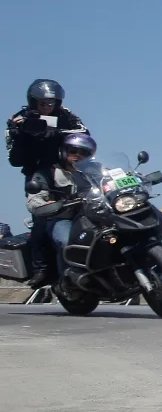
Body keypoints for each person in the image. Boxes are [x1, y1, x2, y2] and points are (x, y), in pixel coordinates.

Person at [6, 79, 89, 287]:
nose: (47, 107)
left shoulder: (67, 115)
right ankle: (41, 268)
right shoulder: (20, 119)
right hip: (38, 174)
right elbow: (14, 160)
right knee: (42, 218)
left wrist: (58, 133)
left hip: (70, 168)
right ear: (33, 102)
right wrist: (20, 136)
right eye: (42, 103)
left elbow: (85, 134)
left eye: (51, 103)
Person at [24, 133, 97, 287]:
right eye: (73, 151)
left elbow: (115, 179)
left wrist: (135, 178)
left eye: (83, 152)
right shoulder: (48, 173)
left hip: (93, 217)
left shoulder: (95, 171)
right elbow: (34, 199)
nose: (78, 155)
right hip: (63, 219)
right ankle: (67, 281)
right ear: (64, 151)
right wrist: (46, 205)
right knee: (67, 243)